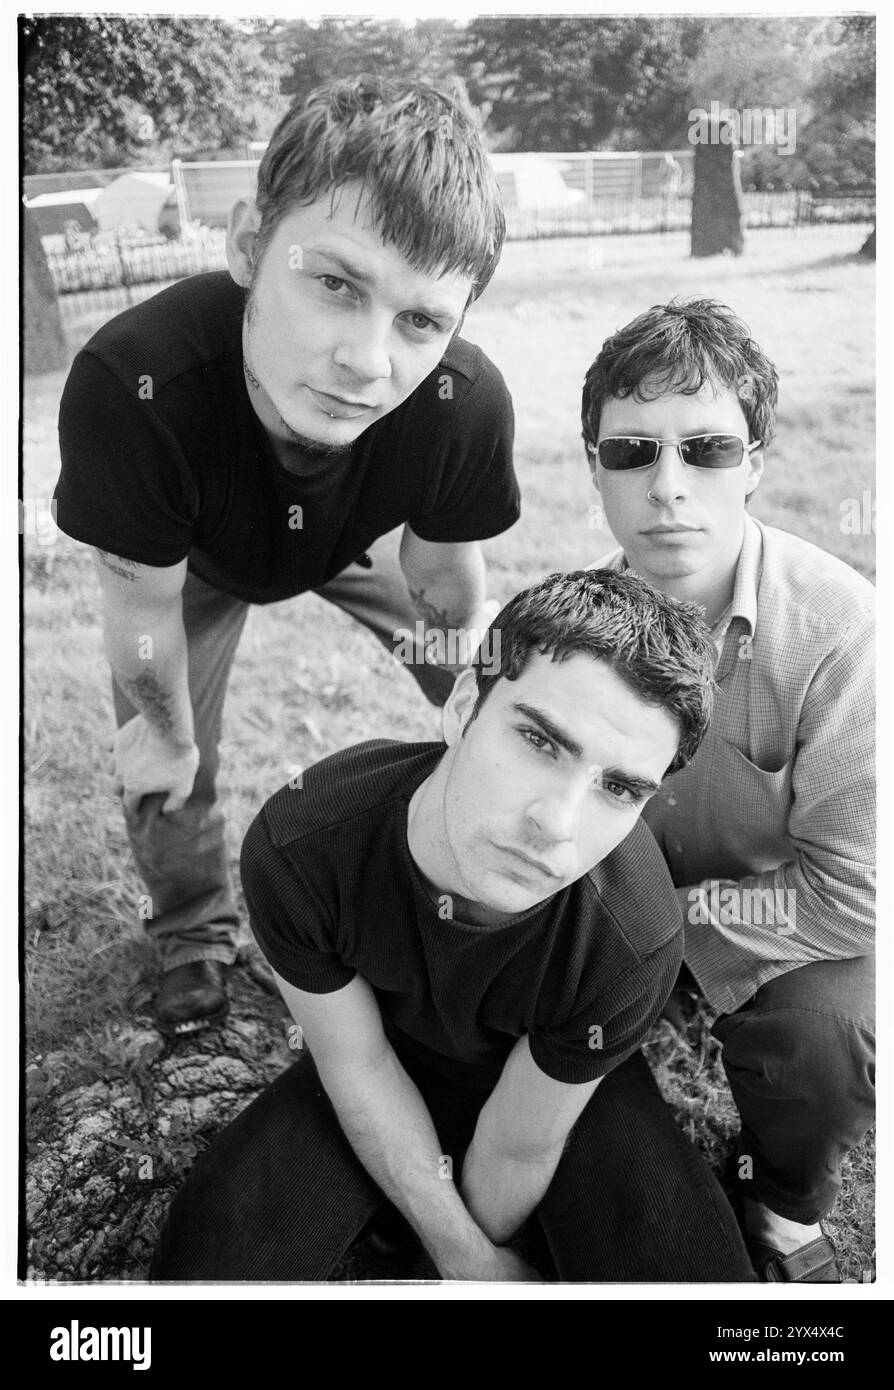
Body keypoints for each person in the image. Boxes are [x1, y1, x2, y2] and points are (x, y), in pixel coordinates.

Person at [53, 76, 519, 1037]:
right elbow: (139, 612)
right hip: (196, 565)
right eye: (335, 283)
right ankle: (190, 932)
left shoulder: (461, 404)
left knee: (499, 699)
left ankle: (505, 886)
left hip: (352, 543)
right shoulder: (133, 387)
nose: (367, 361)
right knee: (165, 750)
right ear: (248, 243)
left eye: (422, 320)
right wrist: (168, 727)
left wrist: (473, 683)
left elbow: (442, 578)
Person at [150, 568, 756, 1283]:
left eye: (619, 787)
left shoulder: (632, 934)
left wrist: (472, 1257)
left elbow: (520, 1146)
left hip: (555, 1080)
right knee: (205, 1275)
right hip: (382, 1051)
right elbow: (356, 1062)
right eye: (539, 741)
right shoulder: (303, 845)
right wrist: (457, 1249)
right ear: (465, 704)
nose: (555, 826)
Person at [581, 298, 875, 1282]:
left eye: (707, 450)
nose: (667, 489)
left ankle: (785, 1205)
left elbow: (856, 896)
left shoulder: (841, 630)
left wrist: (670, 933)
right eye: (631, 453)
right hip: (622, 907)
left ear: (754, 462)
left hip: (789, 919)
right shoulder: (565, 630)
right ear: (594, 466)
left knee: (830, 1037)